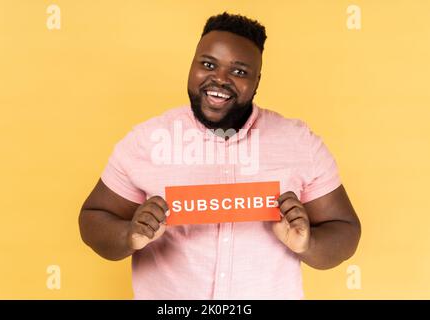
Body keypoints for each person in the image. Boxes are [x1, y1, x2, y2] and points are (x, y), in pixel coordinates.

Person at [79, 12, 361, 299]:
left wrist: (307, 244)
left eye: (239, 71)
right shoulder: (145, 141)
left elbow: (345, 230)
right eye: (208, 64)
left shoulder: (299, 142)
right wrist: (129, 235)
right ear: (192, 66)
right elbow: (93, 218)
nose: (219, 79)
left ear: (257, 81)